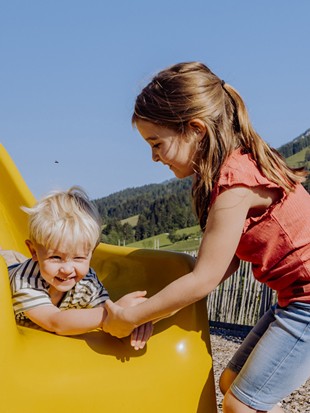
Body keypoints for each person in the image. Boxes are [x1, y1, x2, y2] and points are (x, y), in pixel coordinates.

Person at [102, 62, 310, 412]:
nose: (153, 156)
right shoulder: (228, 174)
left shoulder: (236, 183)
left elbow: (204, 279)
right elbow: (221, 264)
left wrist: (132, 318)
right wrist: (158, 307)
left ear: (196, 129)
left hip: (307, 302)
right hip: (294, 298)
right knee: (231, 383)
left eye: (157, 142)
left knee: (239, 406)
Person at [1, 186, 152, 350]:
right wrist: (113, 314)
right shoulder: (25, 282)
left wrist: (135, 317)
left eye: (78, 258)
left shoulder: (88, 281)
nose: (67, 269)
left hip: (33, 266)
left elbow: (106, 313)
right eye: (56, 257)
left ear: (91, 253)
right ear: (33, 251)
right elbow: (54, 322)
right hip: (9, 269)